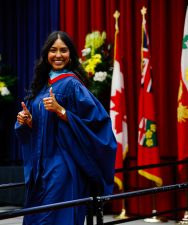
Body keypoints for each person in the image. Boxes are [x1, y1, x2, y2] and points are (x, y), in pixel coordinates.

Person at [15, 31, 117, 225]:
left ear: (70, 55)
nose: (58, 55)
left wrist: (61, 110)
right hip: (41, 167)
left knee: (57, 218)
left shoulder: (72, 85)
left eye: (63, 50)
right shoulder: (41, 87)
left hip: (63, 167)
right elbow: (41, 128)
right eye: (53, 50)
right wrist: (27, 121)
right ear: (46, 55)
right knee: (38, 218)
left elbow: (98, 123)